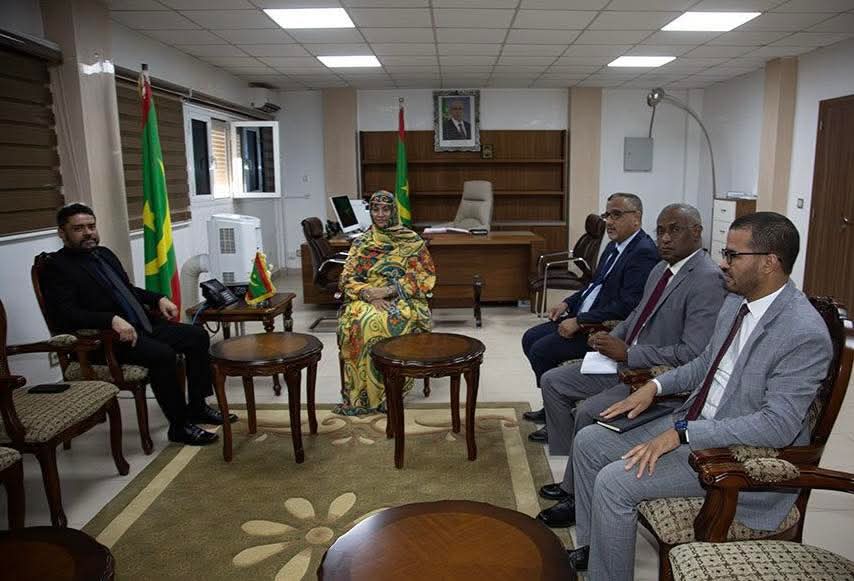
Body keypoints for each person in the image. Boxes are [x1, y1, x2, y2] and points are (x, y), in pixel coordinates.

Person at [567, 212, 832, 581]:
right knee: (589, 442)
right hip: (696, 420)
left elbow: (778, 426)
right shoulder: (737, 300)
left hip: (736, 451)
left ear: (770, 262)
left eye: (733, 255)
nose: (722, 263)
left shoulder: (802, 332)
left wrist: (683, 433)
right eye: (725, 253)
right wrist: (655, 387)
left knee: (614, 482)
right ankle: (595, 551)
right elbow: (706, 363)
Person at [534, 203, 727, 527]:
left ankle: (575, 496)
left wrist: (629, 354)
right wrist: (611, 337)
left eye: (674, 230)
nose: (665, 238)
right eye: (660, 231)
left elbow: (692, 353)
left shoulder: (707, 280)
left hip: (648, 373)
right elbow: (637, 314)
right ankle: (573, 476)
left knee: (588, 411)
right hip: (619, 361)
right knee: (553, 381)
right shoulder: (661, 268)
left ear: (697, 232)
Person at [40, 203, 237, 446]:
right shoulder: (56, 267)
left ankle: (197, 406)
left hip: (140, 326)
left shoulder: (104, 254)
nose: (88, 232)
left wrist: (158, 298)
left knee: (197, 336)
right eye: (78, 228)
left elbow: (127, 290)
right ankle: (179, 426)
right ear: (62, 232)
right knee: (163, 355)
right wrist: (110, 320)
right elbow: (65, 314)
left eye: (91, 226)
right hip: (105, 340)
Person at [520, 193, 659, 434]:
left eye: (616, 215)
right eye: (607, 215)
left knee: (541, 349)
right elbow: (594, 285)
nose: (609, 222)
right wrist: (567, 302)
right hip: (585, 316)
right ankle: (551, 407)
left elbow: (628, 306)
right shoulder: (613, 246)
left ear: (636, 218)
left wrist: (581, 320)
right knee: (530, 338)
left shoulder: (643, 252)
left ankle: (557, 421)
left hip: (601, 328)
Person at [335, 190, 437, 416]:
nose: (380, 214)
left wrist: (389, 290)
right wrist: (369, 293)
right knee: (361, 322)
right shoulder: (361, 242)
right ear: (370, 211)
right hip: (365, 297)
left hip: (402, 297)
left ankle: (391, 391)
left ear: (393, 212)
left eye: (385, 209)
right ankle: (363, 396)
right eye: (375, 209)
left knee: (392, 320)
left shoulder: (411, 240)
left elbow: (425, 277)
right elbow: (346, 279)